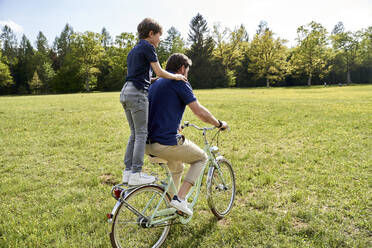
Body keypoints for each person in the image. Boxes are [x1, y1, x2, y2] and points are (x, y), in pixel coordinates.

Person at [145, 53, 228, 216]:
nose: (187, 74)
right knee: (202, 158)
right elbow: (199, 111)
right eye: (187, 70)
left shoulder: (156, 83)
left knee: (177, 168)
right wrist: (218, 123)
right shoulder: (179, 80)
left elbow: (160, 109)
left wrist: (177, 125)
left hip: (147, 143)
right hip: (165, 143)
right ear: (183, 68)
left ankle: (171, 207)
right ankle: (180, 199)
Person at [120, 18, 187, 186]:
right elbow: (159, 69)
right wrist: (176, 76)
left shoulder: (134, 50)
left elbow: (143, 76)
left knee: (134, 133)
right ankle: (136, 172)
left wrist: (155, 79)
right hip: (137, 94)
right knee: (142, 133)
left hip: (125, 92)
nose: (159, 39)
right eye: (159, 35)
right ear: (151, 34)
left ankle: (128, 172)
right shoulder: (148, 47)